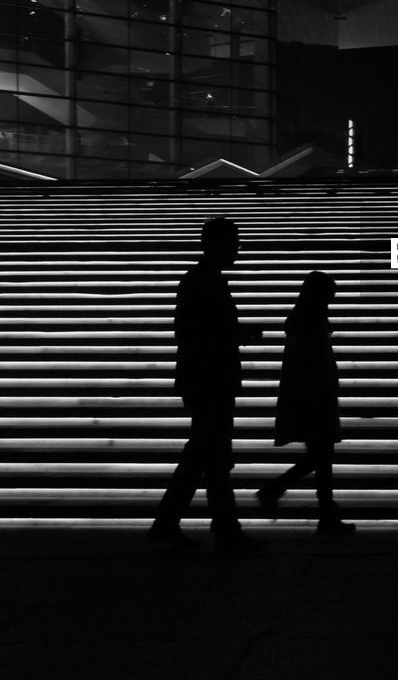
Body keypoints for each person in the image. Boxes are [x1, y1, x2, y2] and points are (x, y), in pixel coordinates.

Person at [149, 216, 266, 553]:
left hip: (204, 380)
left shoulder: (202, 281)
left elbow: (193, 331)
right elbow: (200, 333)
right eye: (234, 242)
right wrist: (238, 335)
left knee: (208, 456)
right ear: (218, 244)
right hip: (210, 380)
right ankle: (199, 526)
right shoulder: (204, 282)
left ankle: (205, 526)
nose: (238, 249)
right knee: (207, 455)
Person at [256, 271, 356, 535]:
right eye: (330, 291)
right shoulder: (310, 322)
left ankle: (323, 514)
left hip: (309, 397)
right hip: (315, 398)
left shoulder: (304, 319)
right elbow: (314, 364)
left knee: (321, 457)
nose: (333, 297)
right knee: (322, 456)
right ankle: (278, 491)